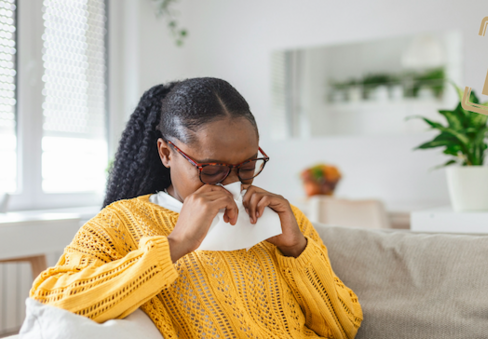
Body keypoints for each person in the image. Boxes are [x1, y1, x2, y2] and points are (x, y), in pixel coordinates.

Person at [29, 77, 363, 338]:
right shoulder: (123, 222)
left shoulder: (280, 219)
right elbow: (51, 304)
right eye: (212, 169)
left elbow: (345, 326)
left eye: (247, 165)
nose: (232, 183)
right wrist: (174, 246)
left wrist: (297, 250)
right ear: (166, 153)